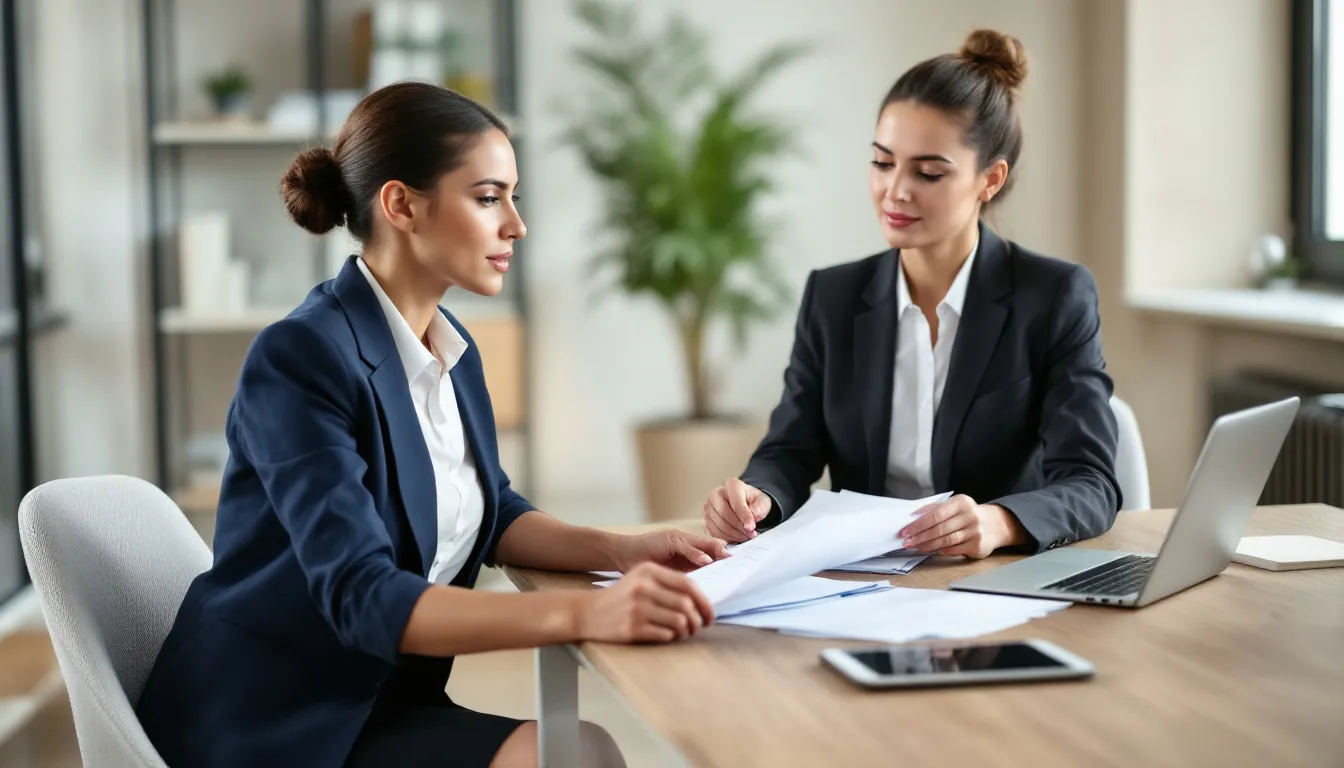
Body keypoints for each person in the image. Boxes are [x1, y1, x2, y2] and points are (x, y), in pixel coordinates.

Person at [135, 82, 725, 768]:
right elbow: (362, 596)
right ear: (401, 204)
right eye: (487, 197)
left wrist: (622, 551)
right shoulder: (300, 358)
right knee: (574, 755)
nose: (515, 225)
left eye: (513, 197)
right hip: (273, 721)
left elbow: (493, 511)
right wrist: (589, 612)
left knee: (575, 750)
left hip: (379, 698)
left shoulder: (452, 351)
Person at [702, 29, 1120, 557]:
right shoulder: (832, 297)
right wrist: (758, 497)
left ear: (989, 180)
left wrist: (999, 522)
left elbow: (1092, 482)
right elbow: (789, 451)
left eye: (927, 172)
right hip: (860, 580)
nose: (895, 190)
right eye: (882, 163)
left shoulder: (1054, 296)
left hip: (992, 582)